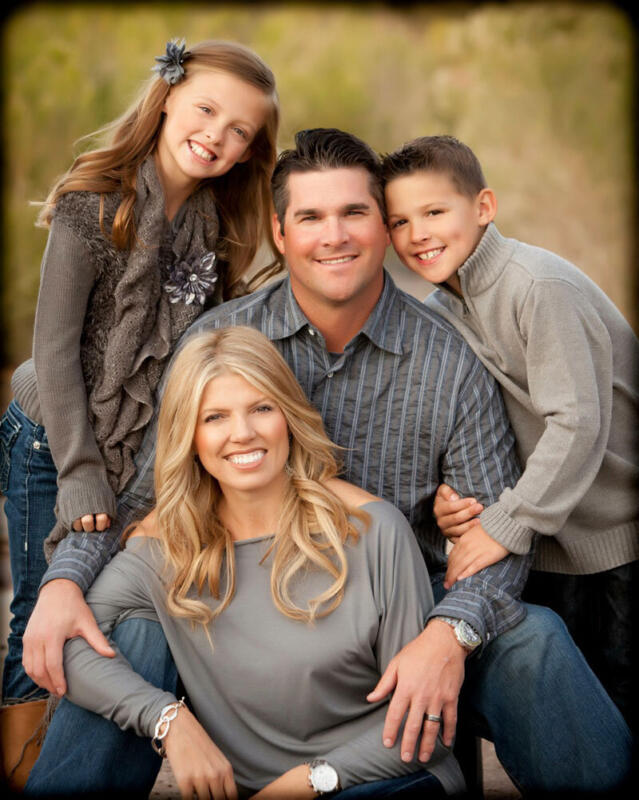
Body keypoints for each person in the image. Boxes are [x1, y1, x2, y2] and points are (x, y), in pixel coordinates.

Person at [23, 128, 632, 795]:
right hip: (241, 604)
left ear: (383, 229)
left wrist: (448, 635)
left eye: (354, 213)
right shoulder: (223, 340)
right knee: (125, 628)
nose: (334, 236)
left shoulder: (449, 358)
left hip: (399, 606)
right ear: (281, 233)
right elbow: (144, 495)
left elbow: (497, 538)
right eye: (311, 217)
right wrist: (64, 582)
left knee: (530, 640)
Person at [27, 326, 465, 798]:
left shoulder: (374, 531)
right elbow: (64, 648)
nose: (243, 433)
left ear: (288, 417)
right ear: (190, 436)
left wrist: (308, 782)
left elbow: (425, 727)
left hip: (387, 781)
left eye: (262, 408)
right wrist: (168, 720)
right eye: (215, 417)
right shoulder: (165, 551)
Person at [0, 38, 280, 701]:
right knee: (39, 613)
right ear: (166, 100)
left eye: (239, 131)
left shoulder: (215, 227)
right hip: (53, 439)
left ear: (249, 151)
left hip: (133, 448)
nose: (216, 136)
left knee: (104, 610)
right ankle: (25, 749)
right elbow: (55, 350)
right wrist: (80, 472)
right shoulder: (93, 202)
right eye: (206, 110)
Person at [382, 134, 639, 727]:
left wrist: (506, 523)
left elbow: (577, 422)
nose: (418, 233)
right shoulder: (441, 312)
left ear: (484, 207)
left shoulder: (537, 287)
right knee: (576, 713)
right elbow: (465, 423)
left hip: (619, 536)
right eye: (399, 221)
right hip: (550, 540)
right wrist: (448, 501)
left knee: (621, 700)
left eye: (434, 212)